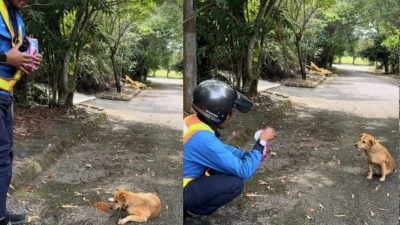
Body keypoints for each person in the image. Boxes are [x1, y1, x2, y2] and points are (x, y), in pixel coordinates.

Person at [183, 80, 276, 225]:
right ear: (218, 113)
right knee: (234, 183)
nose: (232, 116)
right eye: (230, 113)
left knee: (224, 168)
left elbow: (222, 149)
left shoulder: (193, 121)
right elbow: (244, 170)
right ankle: (189, 214)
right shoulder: (203, 138)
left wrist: (250, 154)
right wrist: (261, 142)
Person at [0, 0, 42, 225]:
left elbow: (17, 53)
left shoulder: (17, 17)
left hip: (6, 94)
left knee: (5, 156)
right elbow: (6, 56)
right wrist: (7, 58)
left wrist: (29, 58)